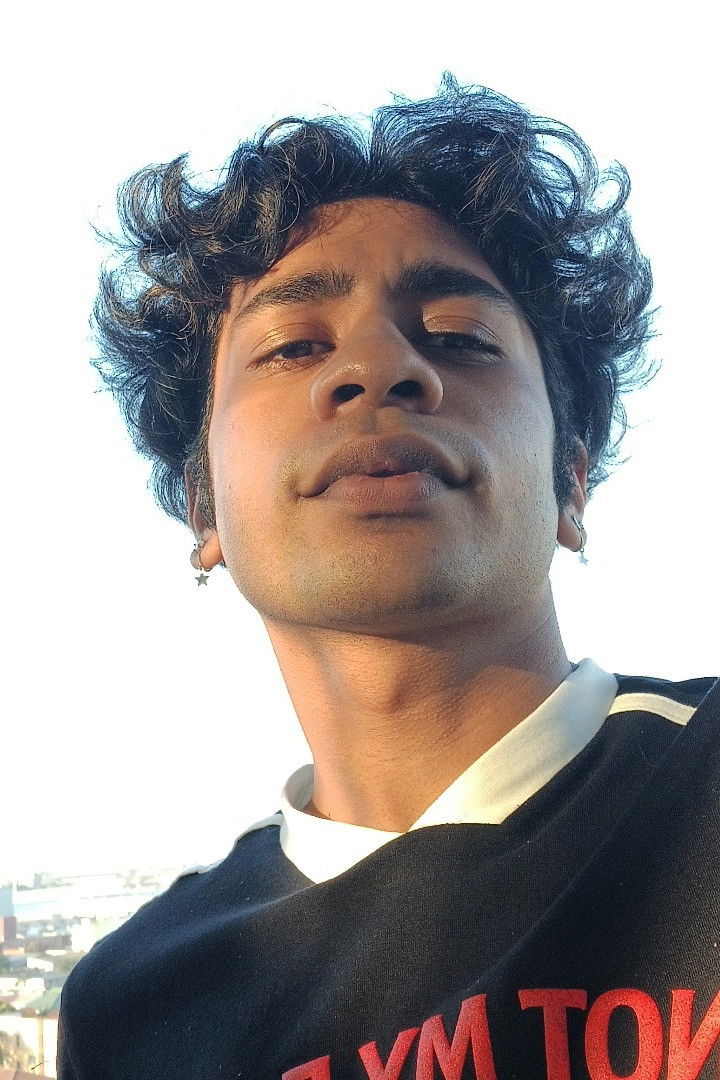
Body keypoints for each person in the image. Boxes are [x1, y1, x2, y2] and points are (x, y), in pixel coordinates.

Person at [57, 74, 719, 1079]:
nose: (378, 367)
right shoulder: (131, 1009)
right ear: (202, 509)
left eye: (457, 337)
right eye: (293, 345)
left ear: (572, 479)